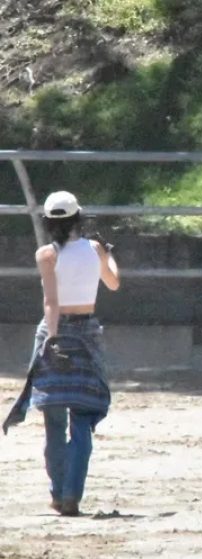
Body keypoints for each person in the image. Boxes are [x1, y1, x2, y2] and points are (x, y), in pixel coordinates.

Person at [4, 191, 120, 516]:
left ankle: (57, 494)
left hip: (55, 330)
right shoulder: (95, 249)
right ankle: (73, 495)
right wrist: (108, 254)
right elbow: (113, 283)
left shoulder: (46, 255)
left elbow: (51, 303)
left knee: (53, 420)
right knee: (82, 419)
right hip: (86, 333)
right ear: (78, 218)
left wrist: (52, 340)